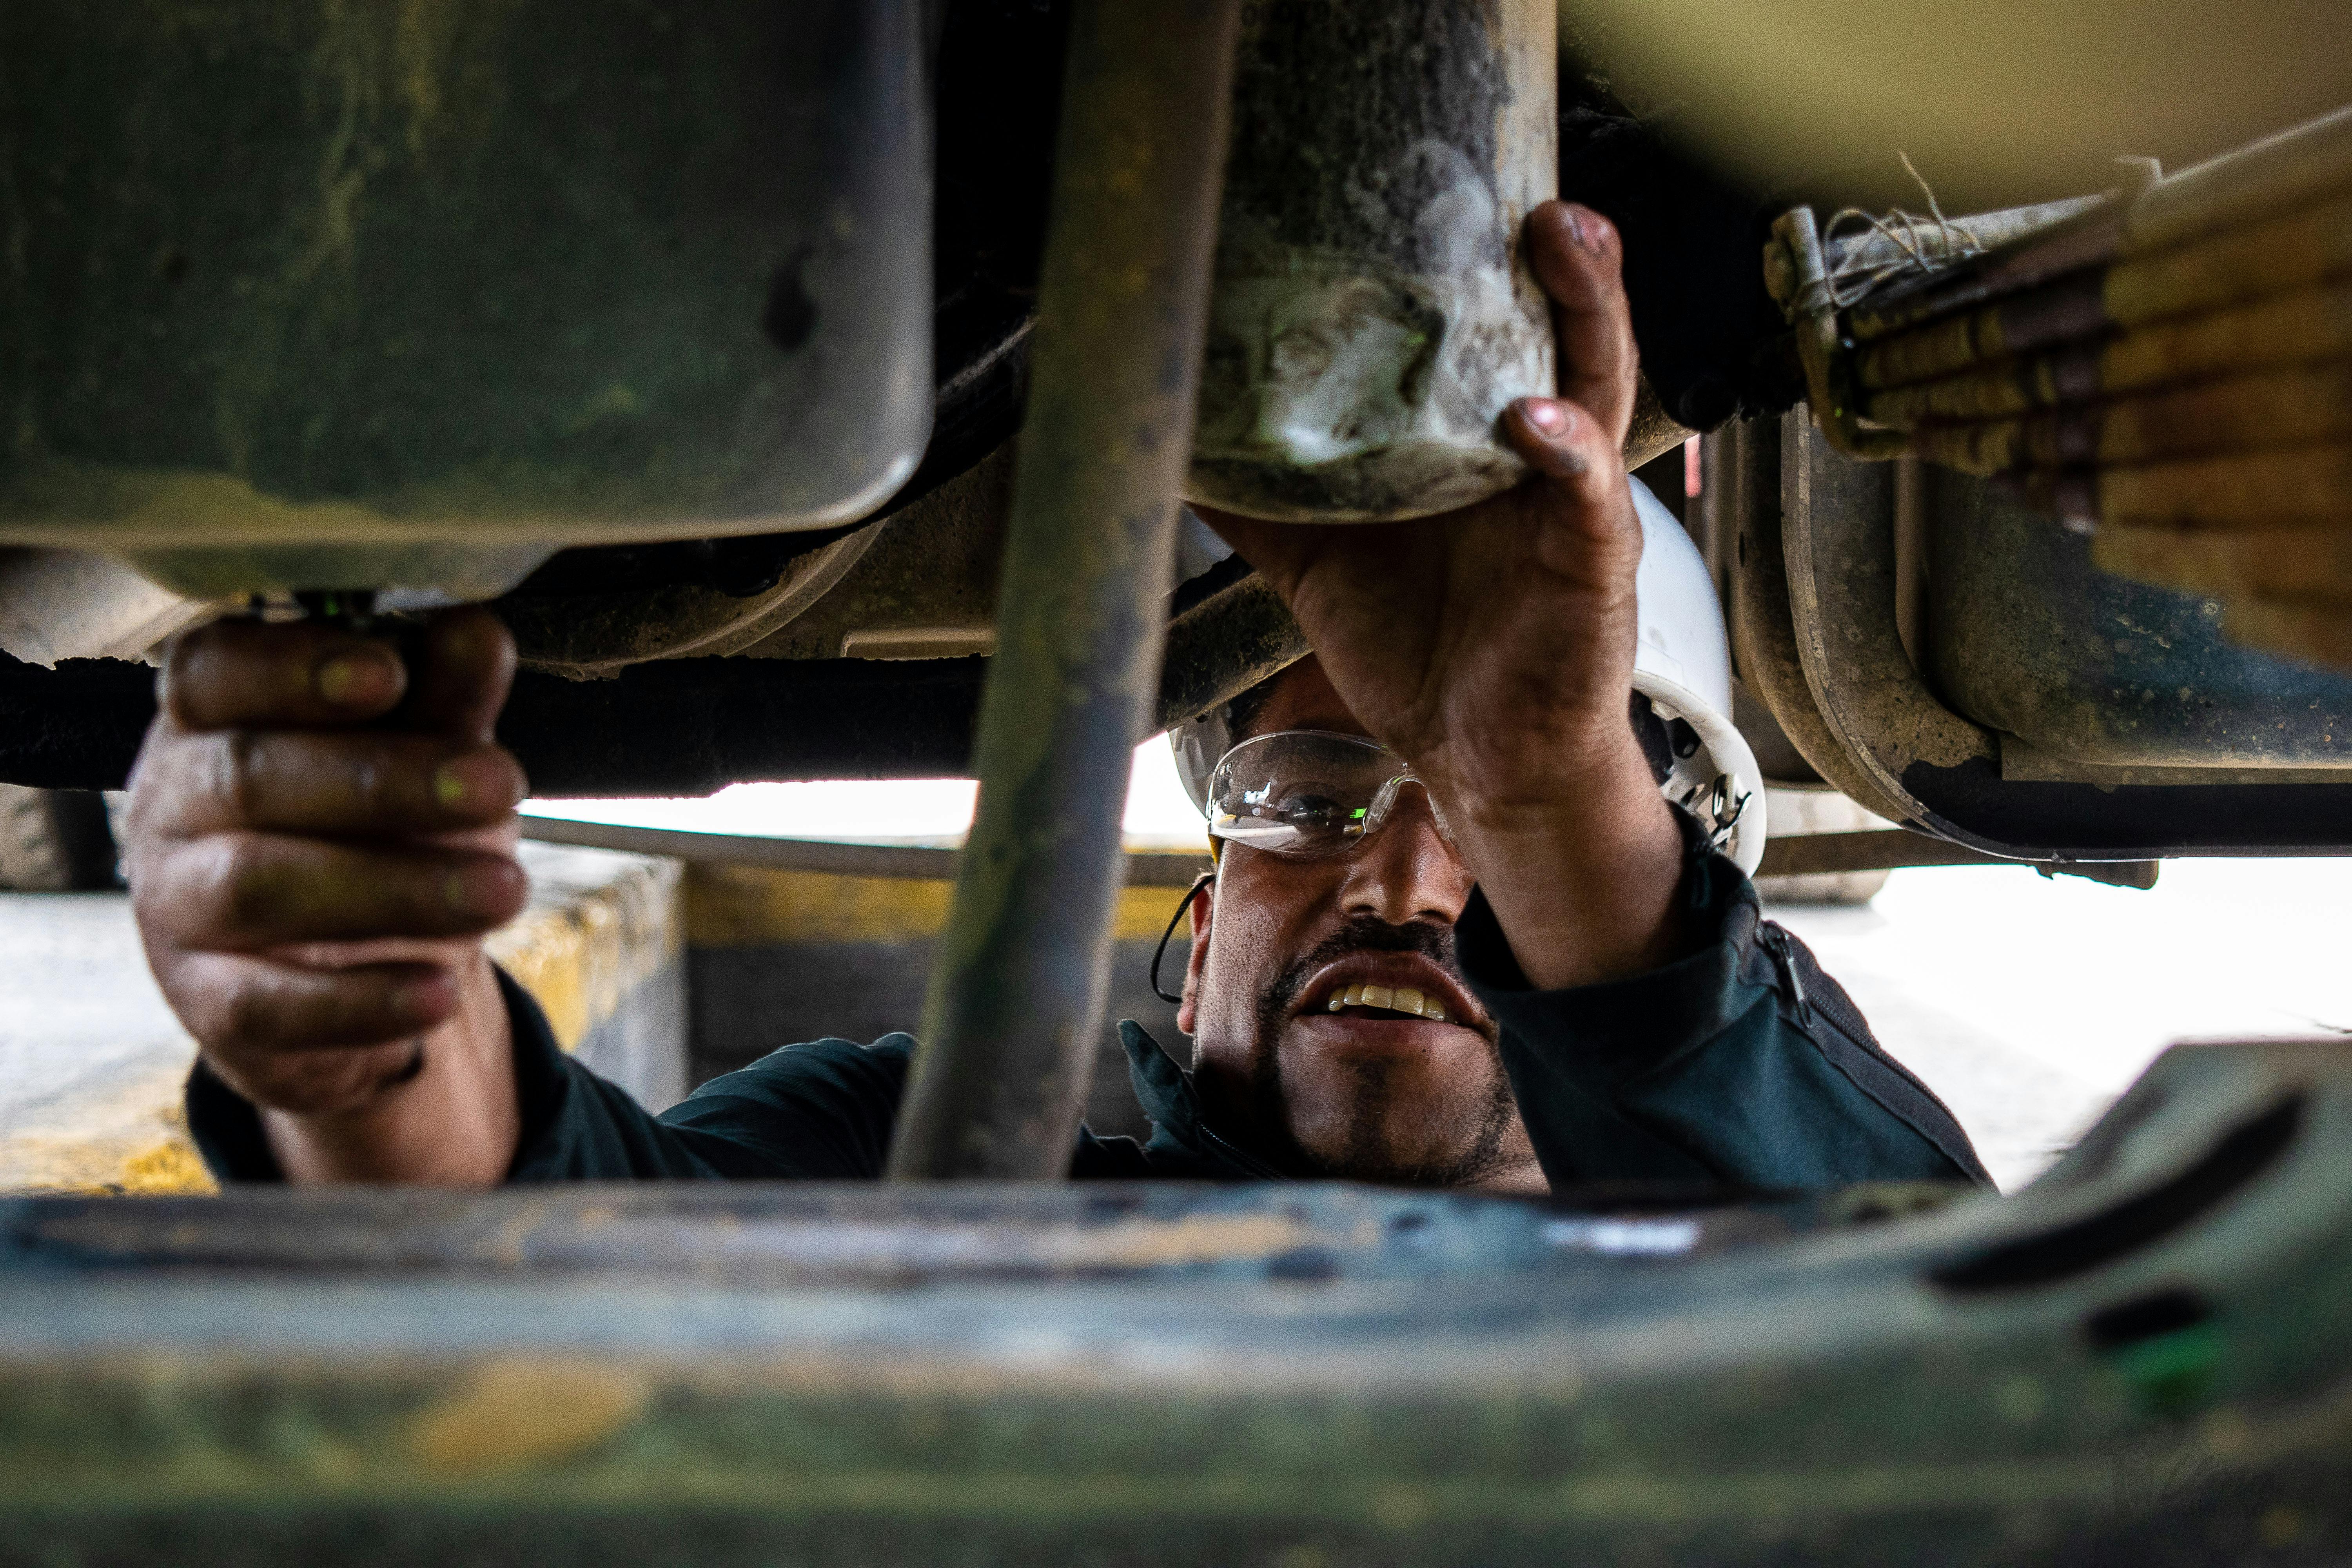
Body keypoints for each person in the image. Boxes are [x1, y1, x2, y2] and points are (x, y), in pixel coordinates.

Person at [125, 203, 1989, 1192]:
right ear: (1189, 952)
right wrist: (366, 1035)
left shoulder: (1724, 1274)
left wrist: (1550, 790)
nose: (1410, 884)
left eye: (1483, 831)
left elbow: (2001, 1440)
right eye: (1312, 789)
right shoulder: (921, 1159)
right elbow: (552, 1249)